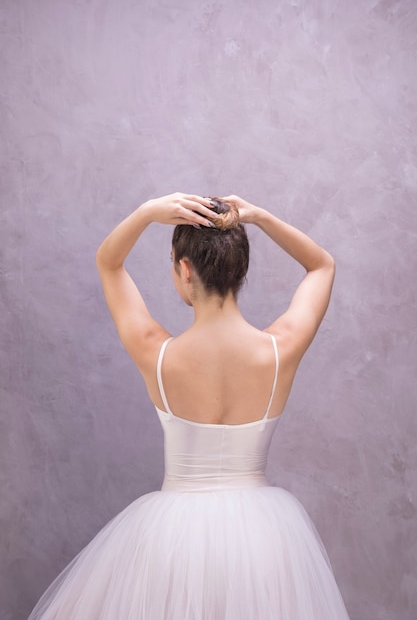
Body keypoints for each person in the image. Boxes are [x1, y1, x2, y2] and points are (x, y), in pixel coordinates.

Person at [29, 193, 350, 619]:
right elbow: (322, 265)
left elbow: (108, 262)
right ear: (241, 270)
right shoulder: (280, 350)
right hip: (261, 542)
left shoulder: (155, 353)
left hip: (171, 541)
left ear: (184, 270)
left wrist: (145, 213)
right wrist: (258, 217)